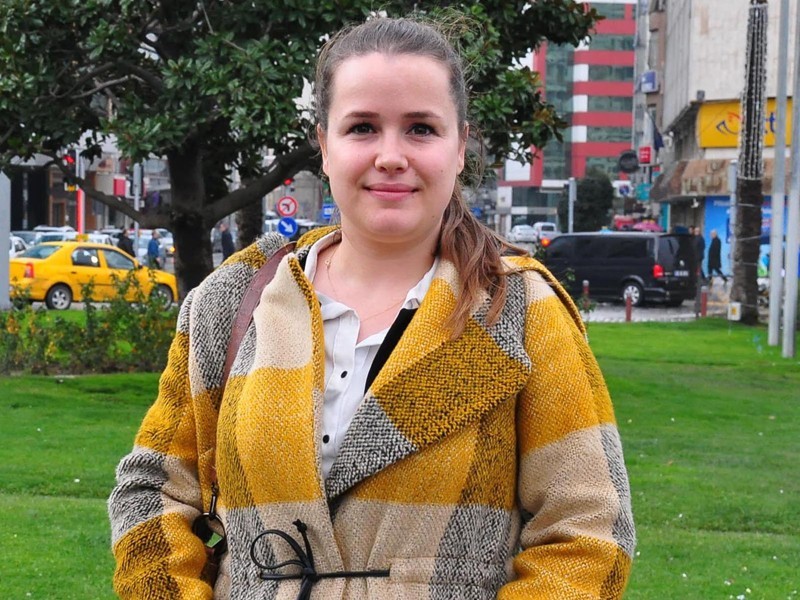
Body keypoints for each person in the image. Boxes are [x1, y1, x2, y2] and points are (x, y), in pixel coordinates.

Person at [108, 17, 635, 599]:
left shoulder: (520, 312)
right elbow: (152, 493)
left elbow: (589, 531)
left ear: (460, 146)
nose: (390, 156)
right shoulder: (235, 300)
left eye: (420, 129)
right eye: (362, 127)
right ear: (324, 146)